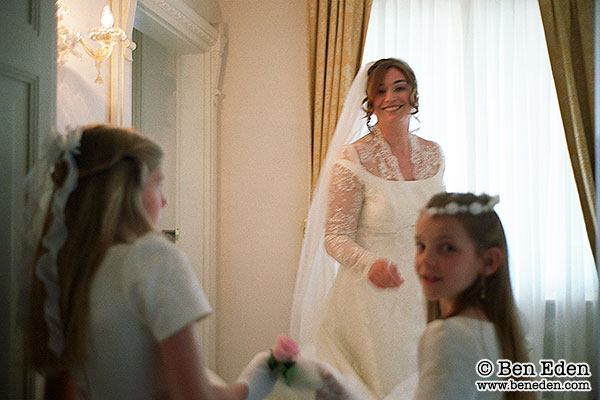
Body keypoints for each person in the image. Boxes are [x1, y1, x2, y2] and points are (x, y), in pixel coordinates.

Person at [25, 124, 276, 400]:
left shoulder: (63, 268)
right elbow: (194, 397)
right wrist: (258, 378)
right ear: (125, 190)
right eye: (157, 182)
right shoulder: (154, 259)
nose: (165, 200)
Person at [290, 58, 445, 399]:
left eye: (399, 87)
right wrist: (369, 264)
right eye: (380, 90)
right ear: (370, 102)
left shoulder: (434, 155)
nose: (391, 96)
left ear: (414, 95)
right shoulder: (354, 158)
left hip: (427, 292)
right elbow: (333, 236)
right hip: (370, 301)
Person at [411, 192, 535, 400]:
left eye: (447, 248)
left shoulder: (446, 336)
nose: (426, 259)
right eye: (421, 246)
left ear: (489, 262)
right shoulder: (508, 325)